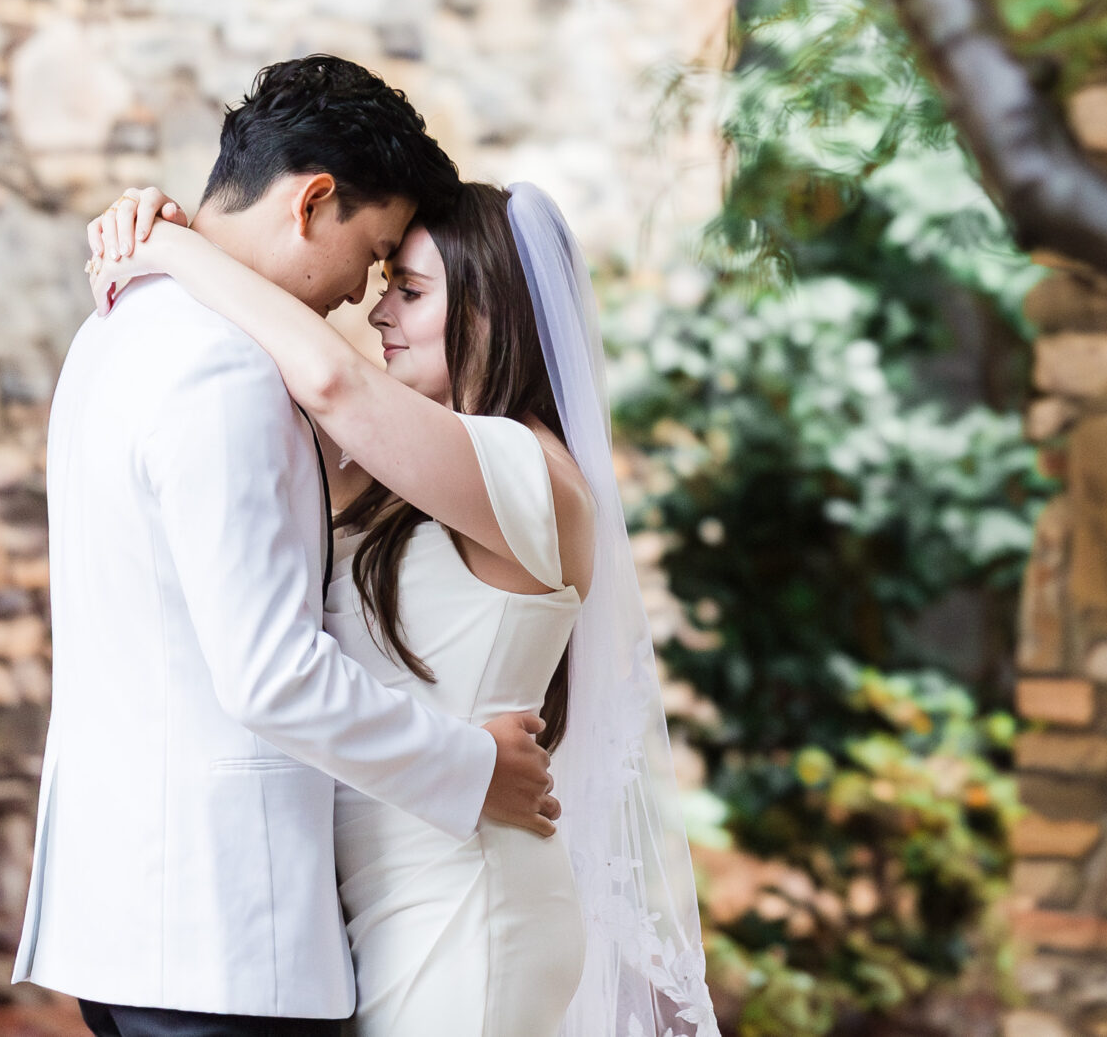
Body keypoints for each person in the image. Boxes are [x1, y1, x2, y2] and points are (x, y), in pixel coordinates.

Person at [80, 170, 718, 1037]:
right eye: (386, 286)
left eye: (410, 291)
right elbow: (266, 392)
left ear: (493, 312)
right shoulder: (419, 470)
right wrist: (152, 213)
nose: (379, 313)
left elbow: (326, 382)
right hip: (380, 904)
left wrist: (176, 246)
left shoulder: (530, 473)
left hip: (466, 902)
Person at [13, 56, 562, 1037]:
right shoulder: (223, 369)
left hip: (142, 920)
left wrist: (174, 240)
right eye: (376, 250)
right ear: (314, 202)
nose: (363, 298)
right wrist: (471, 767)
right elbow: (269, 674)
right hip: (221, 931)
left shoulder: (120, 325)